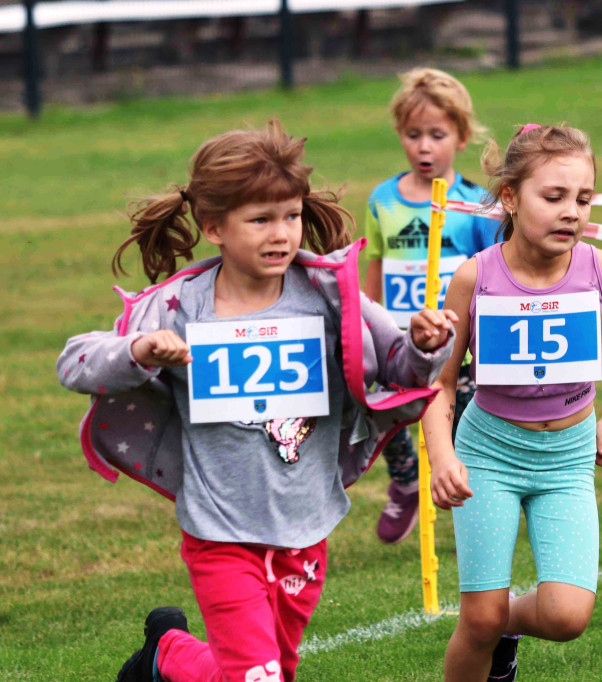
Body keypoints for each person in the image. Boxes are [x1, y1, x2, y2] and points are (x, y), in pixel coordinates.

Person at [56, 120, 456, 682]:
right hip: (219, 533)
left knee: (266, 672)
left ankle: (165, 655)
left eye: (290, 215)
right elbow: (74, 362)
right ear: (214, 226)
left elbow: (398, 368)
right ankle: (168, 655)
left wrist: (424, 344)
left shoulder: (328, 296)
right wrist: (140, 349)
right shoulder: (180, 306)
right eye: (261, 219)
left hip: (306, 530)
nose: (281, 234)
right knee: (257, 678)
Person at [421, 123, 602, 681]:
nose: (572, 212)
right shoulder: (477, 278)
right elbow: (438, 382)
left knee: (568, 616)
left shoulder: (600, 269)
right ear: (512, 199)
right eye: (554, 197)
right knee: (478, 619)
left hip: (567, 460)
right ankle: (491, 633)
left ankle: (507, 629)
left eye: (583, 199)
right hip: (489, 455)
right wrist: (443, 458)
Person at [363, 67, 499, 544]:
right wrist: (371, 324)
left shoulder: (475, 204)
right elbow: (375, 267)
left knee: (460, 431)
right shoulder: (383, 199)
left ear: (461, 136)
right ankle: (403, 483)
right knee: (388, 421)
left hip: (456, 348)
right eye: (413, 135)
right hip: (401, 342)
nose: (424, 146)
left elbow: (491, 274)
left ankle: (480, 513)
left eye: (437, 135)